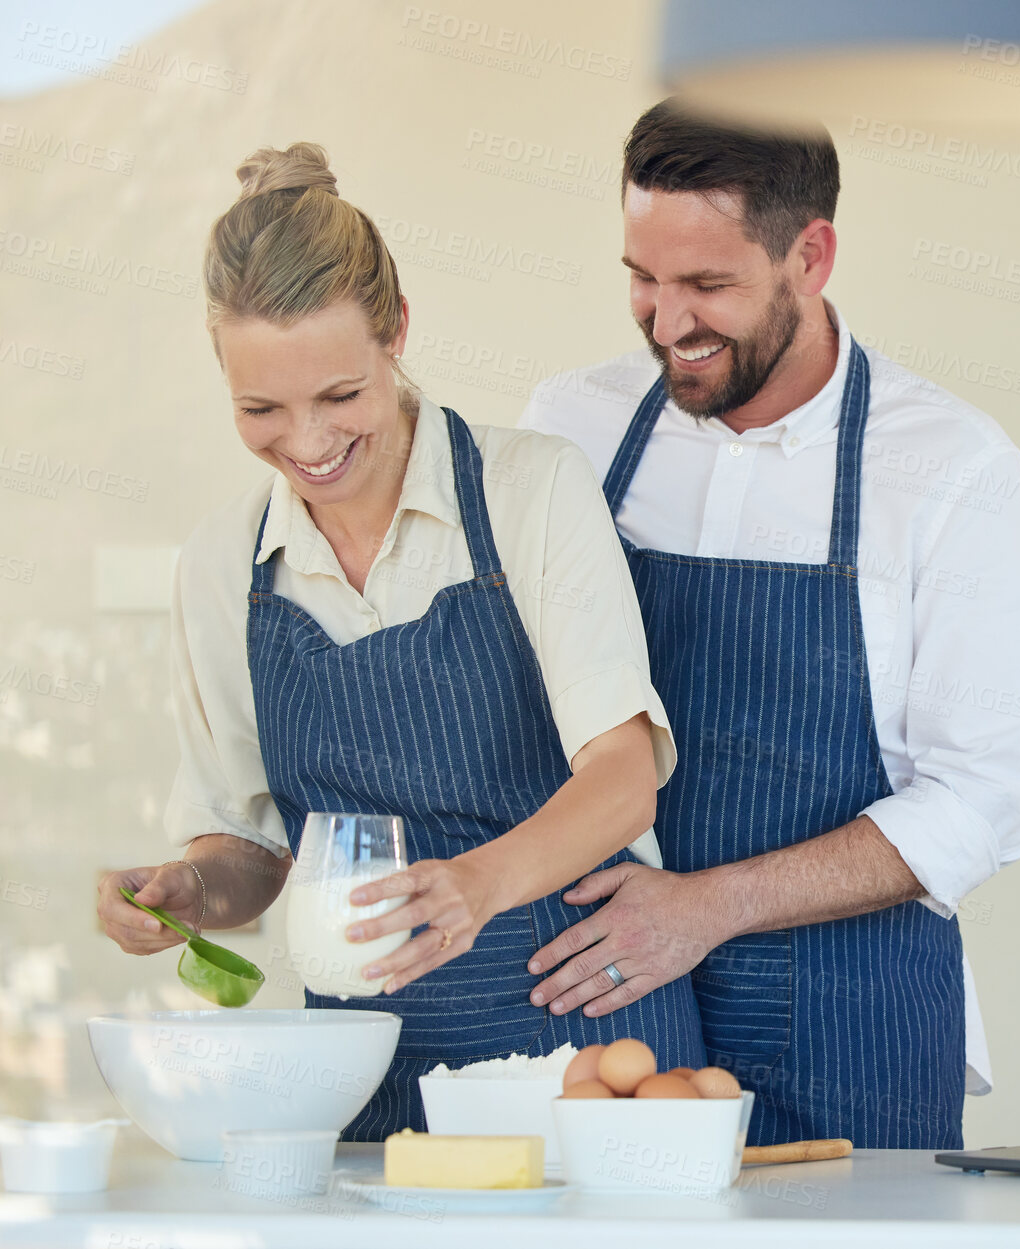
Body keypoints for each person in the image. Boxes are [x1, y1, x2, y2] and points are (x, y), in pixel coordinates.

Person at [96, 142, 704, 1138]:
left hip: (581, 1053)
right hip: (356, 1079)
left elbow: (623, 776)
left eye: (339, 396)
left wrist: (474, 885)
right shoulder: (223, 567)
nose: (306, 442)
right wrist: (187, 892)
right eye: (259, 409)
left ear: (396, 332)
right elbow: (250, 844)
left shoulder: (530, 493)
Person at [519, 101, 1020, 1149]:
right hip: (615, 998)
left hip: (850, 1014)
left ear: (809, 257)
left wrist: (705, 906)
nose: (667, 323)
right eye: (643, 276)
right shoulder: (571, 426)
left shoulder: (950, 468)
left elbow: (987, 798)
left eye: (709, 286)